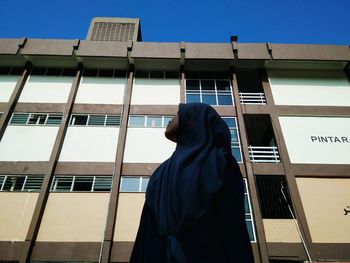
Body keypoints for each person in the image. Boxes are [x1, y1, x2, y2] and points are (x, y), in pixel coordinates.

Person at [130, 102, 254, 263]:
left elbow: (231, 227)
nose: (171, 118)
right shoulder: (161, 172)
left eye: (178, 113)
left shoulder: (219, 163)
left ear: (194, 119)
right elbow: (145, 233)